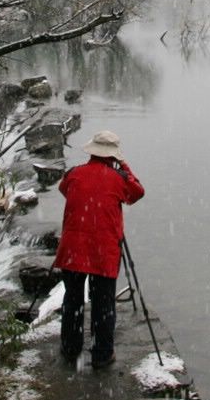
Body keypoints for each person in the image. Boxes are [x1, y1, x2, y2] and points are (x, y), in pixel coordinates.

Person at [53, 130, 144, 368]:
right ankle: (102, 354)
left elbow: (64, 190)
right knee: (103, 303)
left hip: (73, 248)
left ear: (92, 150)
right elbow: (137, 193)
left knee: (72, 300)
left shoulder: (74, 174)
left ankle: (70, 348)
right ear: (113, 155)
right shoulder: (119, 178)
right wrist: (123, 165)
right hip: (103, 251)